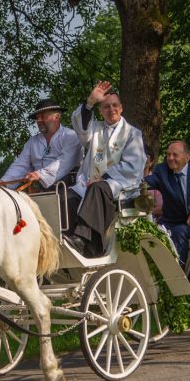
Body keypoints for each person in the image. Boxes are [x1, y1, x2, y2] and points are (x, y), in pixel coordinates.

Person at [64, 81, 147, 257]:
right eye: (106, 106)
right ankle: (65, 238)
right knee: (67, 196)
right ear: (100, 111)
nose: (111, 109)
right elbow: (81, 131)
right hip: (90, 181)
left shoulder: (132, 133)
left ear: (121, 108)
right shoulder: (95, 129)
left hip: (119, 184)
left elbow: (133, 166)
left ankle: (83, 241)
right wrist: (90, 103)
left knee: (97, 188)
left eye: (115, 105)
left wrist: (105, 177)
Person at [1, 98, 81, 192]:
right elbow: (20, 166)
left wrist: (39, 175)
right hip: (41, 191)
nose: (38, 120)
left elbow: (64, 162)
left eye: (43, 116)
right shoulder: (32, 142)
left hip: (69, 190)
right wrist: (3, 184)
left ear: (56, 117)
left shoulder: (71, 136)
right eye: (37, 117)